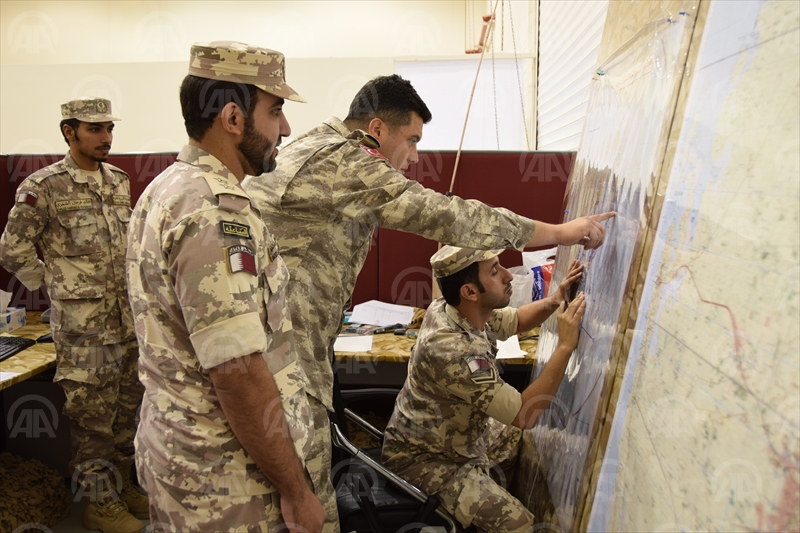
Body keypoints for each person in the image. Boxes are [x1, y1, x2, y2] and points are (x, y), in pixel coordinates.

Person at [241, 73, 614, 528]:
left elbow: (511, 320)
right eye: (412, 140)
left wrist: (555, 299)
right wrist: (562, 233)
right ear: (377, 129)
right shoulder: (347, 162)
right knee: (311, 517)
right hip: (285, 373)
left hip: (278, 358)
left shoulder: (315, 148)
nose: (415, 157)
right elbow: (450, 216)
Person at [125, 41, 324, 533]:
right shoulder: (212, 212)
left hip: (185, 460)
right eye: (275, 111)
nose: (286, 129)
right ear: (233, 118)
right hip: (226, 482)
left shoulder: (167, 188)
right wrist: (296, 492)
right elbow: (237, 371)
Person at [0, 98, 147, 533]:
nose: (106, 138)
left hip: (127, 322)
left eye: (109, 129)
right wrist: (55, 283)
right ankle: (98, 504)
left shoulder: (119, 181)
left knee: (126, 413)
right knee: (92, 421)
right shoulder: (43, 186)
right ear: (70, 132)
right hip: (85, 332)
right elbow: (12, 250)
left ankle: (121, 487)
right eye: (95, 129)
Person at [381, 246, 587, 532]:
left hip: (458, 437)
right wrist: (565, 346)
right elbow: (525, 414)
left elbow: (516, 320)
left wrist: (555, 300)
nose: (507, 276)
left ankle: (480, 510)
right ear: (470, 292)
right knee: (520, 524)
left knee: (514, 439)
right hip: (427, 460)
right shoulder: (453, 351)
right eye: (494, 271)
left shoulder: (454, 307)